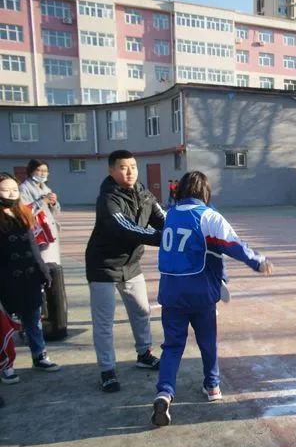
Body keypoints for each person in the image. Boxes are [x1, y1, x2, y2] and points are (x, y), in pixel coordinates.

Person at [151, 171, 273, 427]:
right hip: (199, 293)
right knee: (207, 342)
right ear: (205, 192)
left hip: (170, 292)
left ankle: (164, 393)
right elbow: (232, 244)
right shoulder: (208, 216)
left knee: (172, 346)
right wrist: (257, 261)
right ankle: (213, 385)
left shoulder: (170, 215)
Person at [85, 150, 165, 393]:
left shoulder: (145, 194)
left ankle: (144, 354)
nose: (129, 171)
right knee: (104, 322)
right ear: (111, 171)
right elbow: (127, 228)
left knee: (142, 311)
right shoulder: (108, 199)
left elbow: (163, 220)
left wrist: (178, 230)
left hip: (131, 265)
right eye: (122, 167)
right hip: (103, 266)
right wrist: (165, 238)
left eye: (133, 166)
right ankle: (107, 370)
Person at [0, 172, 60, 385]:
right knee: (5, 326)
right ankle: (6, 365)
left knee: (34, 320)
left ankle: (40, 356)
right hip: (6, 280)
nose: (11, 194)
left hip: (29, 276)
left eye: (14, 190)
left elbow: (34, 246)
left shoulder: (23, 213)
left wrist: (43, 270)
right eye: (5, 190)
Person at [19, 160, 61, 264]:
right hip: (37, 232)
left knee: (52, 264)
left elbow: (56, 212)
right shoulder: (24, 188)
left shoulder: (46, 188)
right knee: (42, 262)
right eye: (39, 170)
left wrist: (54, 203)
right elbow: (25, 211)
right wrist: (42, 201)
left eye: (45, 171)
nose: (42, 173)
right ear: (31, 171)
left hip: (49, 230)